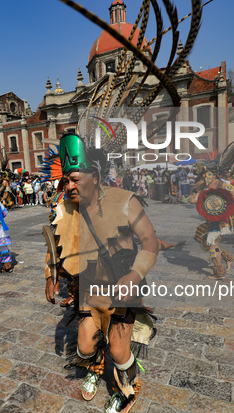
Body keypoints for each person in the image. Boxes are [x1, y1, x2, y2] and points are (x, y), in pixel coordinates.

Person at [44, 134, 158, 413]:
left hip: (121, 289)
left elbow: (150, 242)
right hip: (88, 291)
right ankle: (95, 366)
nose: (69, 186)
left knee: (119, 351)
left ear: (94, 176)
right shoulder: (64, 209)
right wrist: (50, 275)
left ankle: (127, 388)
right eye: (66, 181)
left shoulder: (125, 201)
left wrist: (134, 276)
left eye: (75, 179)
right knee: (84, 346)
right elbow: (55, 246)